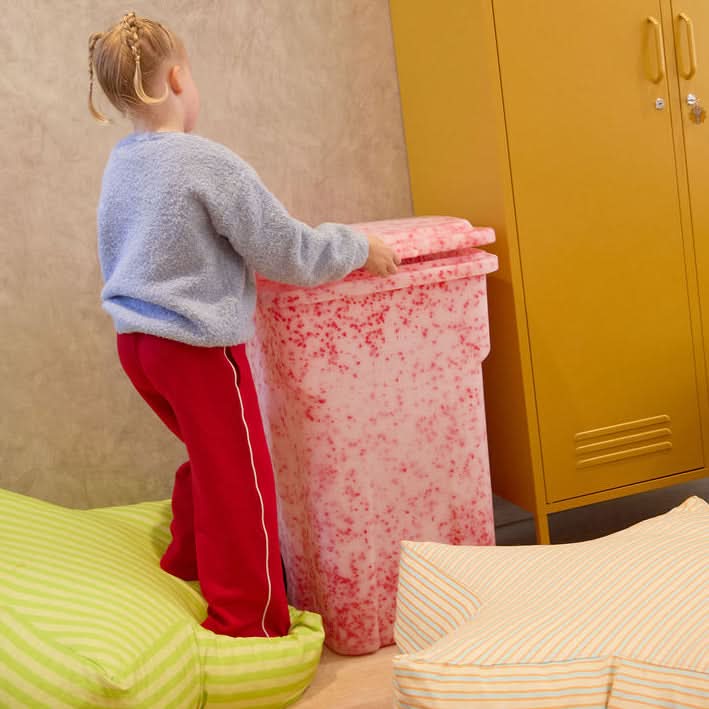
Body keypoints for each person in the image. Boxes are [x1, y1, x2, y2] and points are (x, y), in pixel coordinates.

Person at [88, 11, 400, 638]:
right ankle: (248, 623)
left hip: (137, 344)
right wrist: (357, 247)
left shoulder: (124, 164)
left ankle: (187, 559)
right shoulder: (206, 164)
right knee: (243, 481)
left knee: (209, 456)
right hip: (195, 349)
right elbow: (287, 250)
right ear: (179, 78)